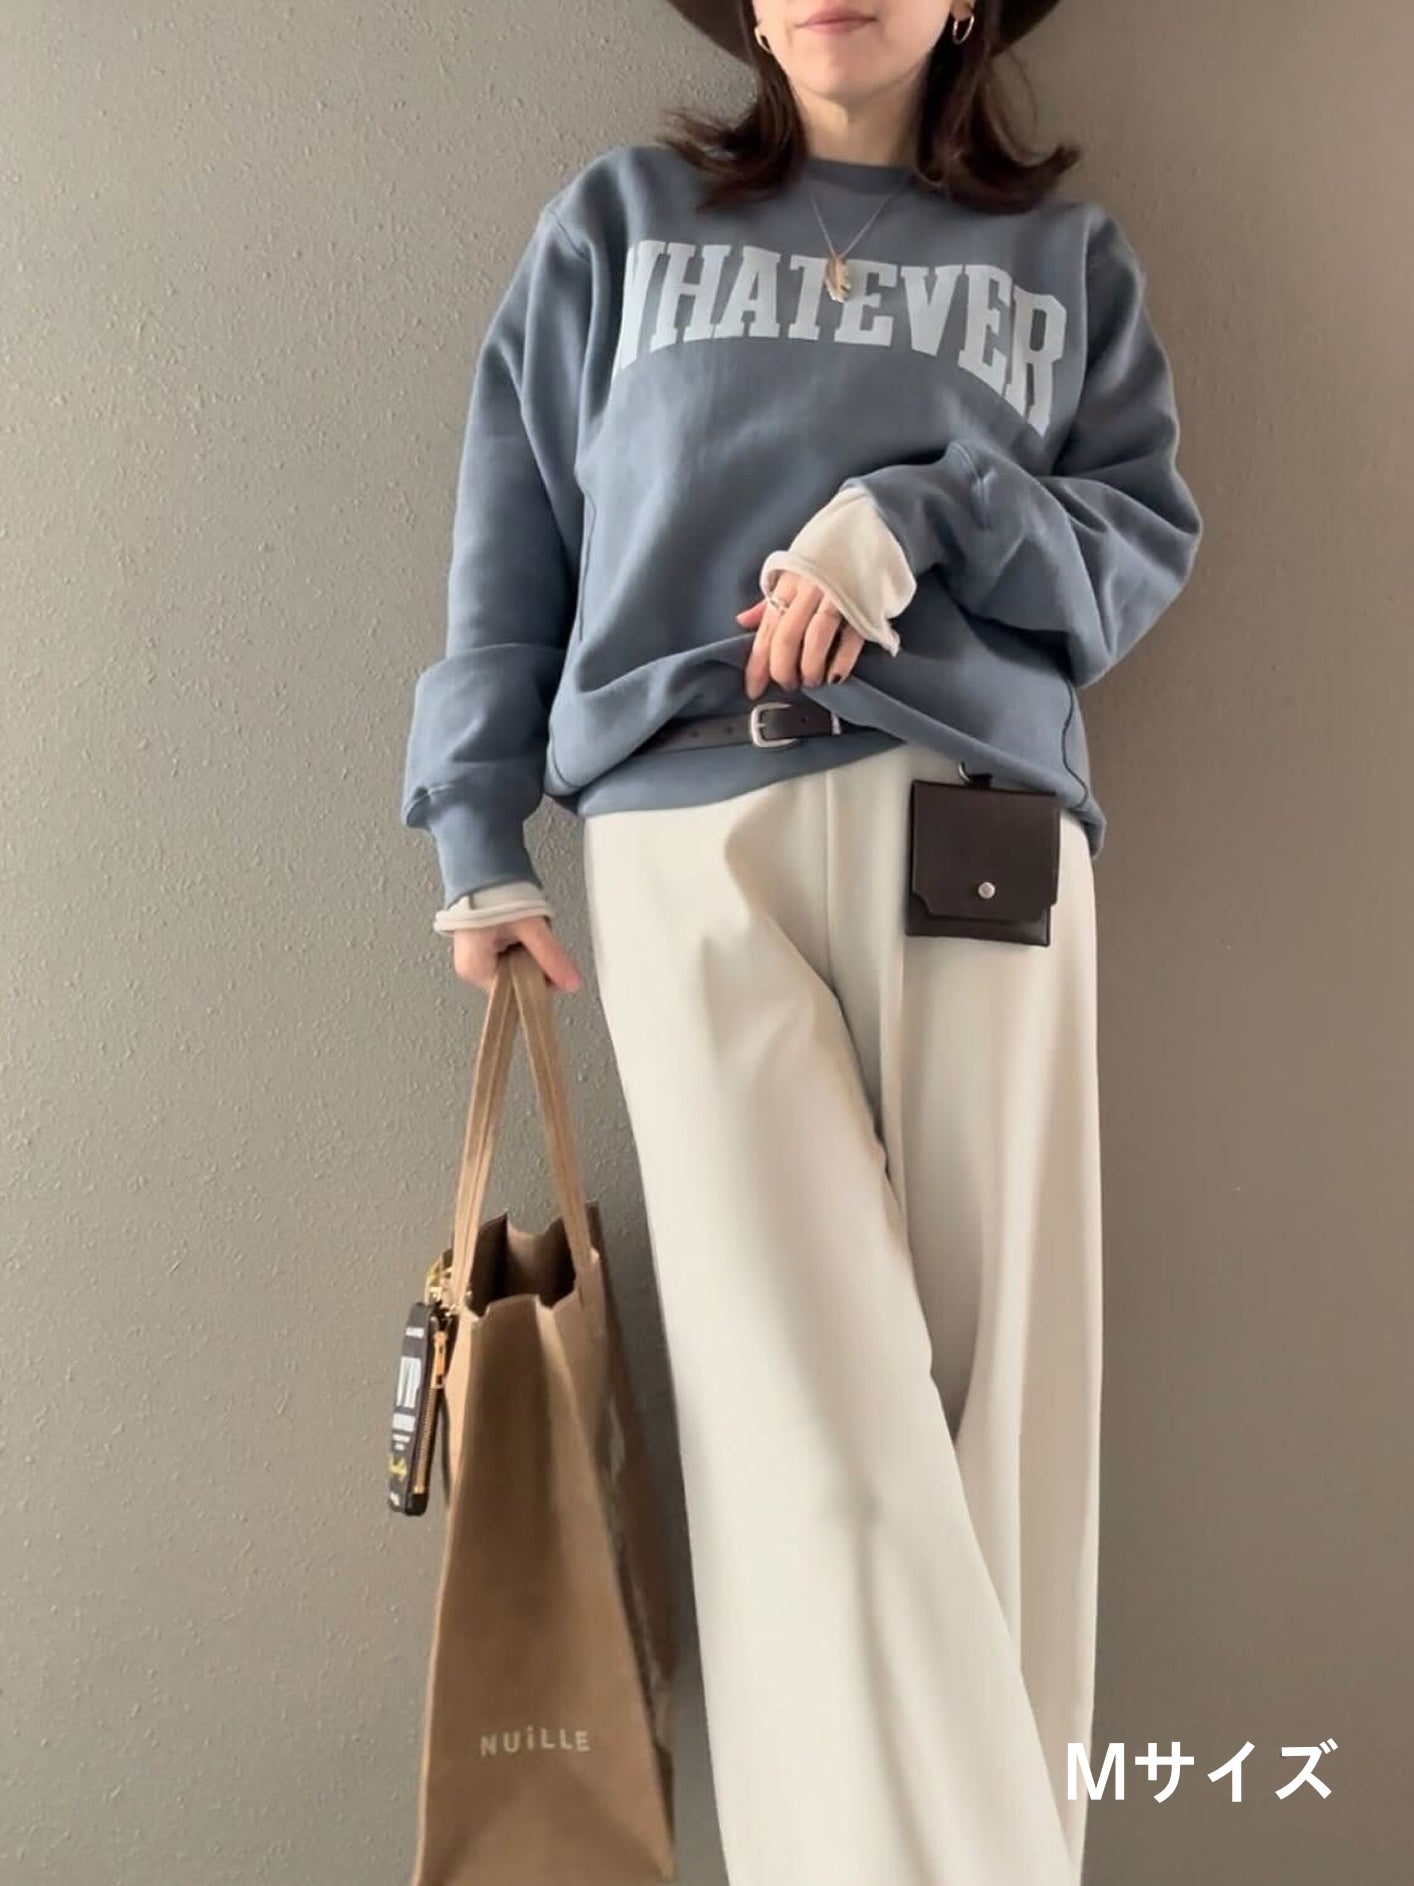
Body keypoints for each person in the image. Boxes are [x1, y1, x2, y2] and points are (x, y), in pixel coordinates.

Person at [401, 1, 1202, 1880]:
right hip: (689, 840)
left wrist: (916, 519)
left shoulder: (1063, 261)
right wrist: (474, 822)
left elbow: (1135, 541)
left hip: (976, 832)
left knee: (1000, 1445)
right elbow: (511, 534)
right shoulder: (618, 225)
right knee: (812, 1457)